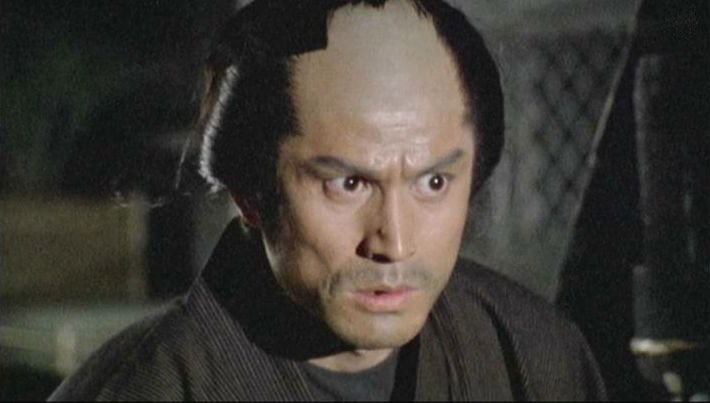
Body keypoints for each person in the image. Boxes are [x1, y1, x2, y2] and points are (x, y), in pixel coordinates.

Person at [50, 0, 607, 400]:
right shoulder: (149, 386)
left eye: (434, 183)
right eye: (348, 184)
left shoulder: (533, 353)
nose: (394, 242)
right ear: (251, 194)